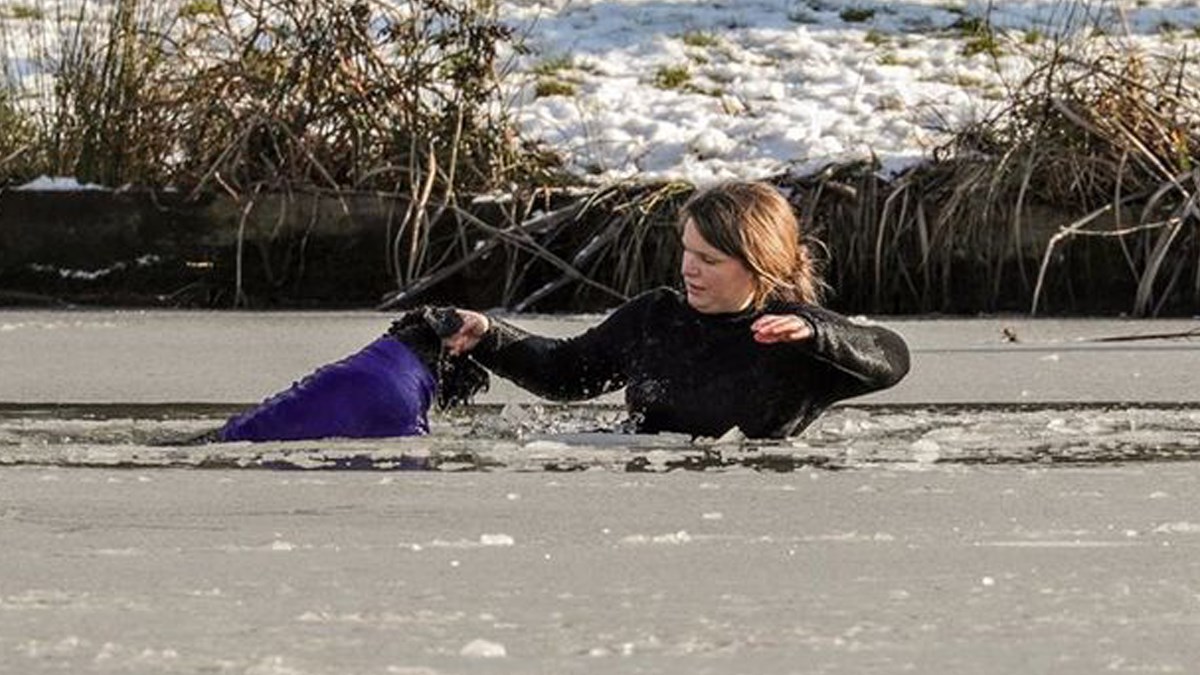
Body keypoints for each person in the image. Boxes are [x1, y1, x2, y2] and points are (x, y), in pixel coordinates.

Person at [442, 180, 910, 439]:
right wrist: (486, 334)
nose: (690, 269)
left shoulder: (792, 334)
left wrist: (815, 334)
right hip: (652, 490)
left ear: (758, 266)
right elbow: (566, 373)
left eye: (709, 260)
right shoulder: (656, 317)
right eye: (687, 251)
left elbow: (892, 357)